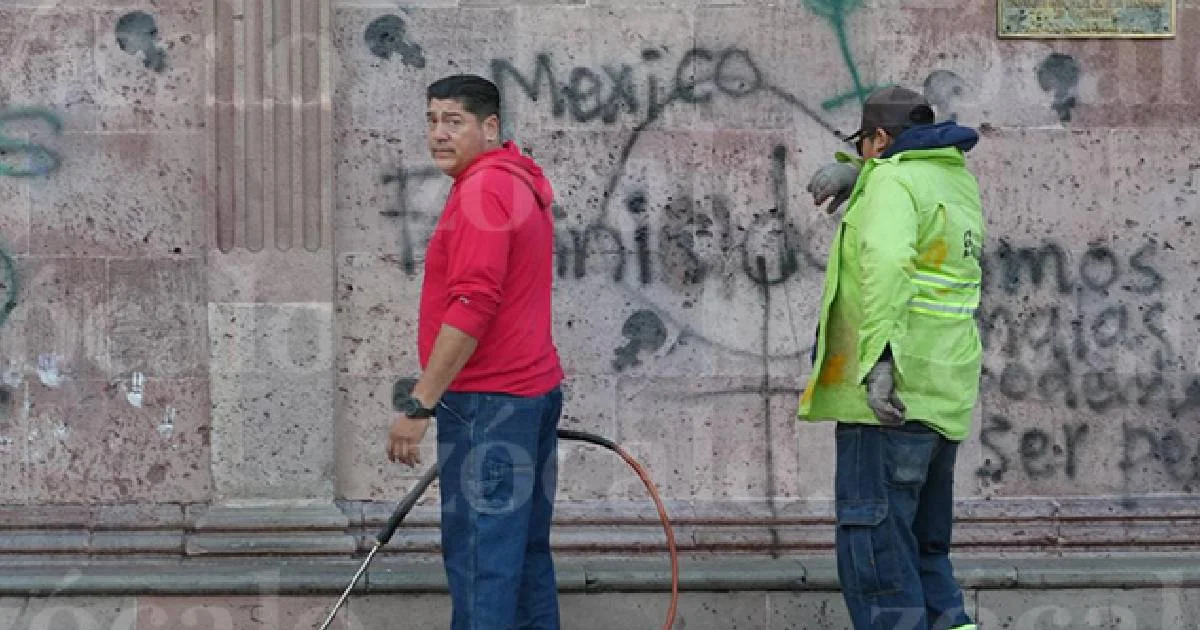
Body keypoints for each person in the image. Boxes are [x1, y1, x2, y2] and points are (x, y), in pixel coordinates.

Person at [798, 85, 984, 630]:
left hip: (886, 401)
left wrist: (876, 362)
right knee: (927, 556)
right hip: (942, 397)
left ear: (879, 139)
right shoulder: (956, 180)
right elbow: (923, 222)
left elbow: (887, 266)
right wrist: (863, 179)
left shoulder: (892, 182)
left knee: (878, 561)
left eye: (862, 145)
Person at [387, 74, 565, 630]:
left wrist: (419, 407)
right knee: (523, 556)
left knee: (481, 564)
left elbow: (471, 307)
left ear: (490, 126)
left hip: (489, 405)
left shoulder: (484, 191)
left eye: (454, 121)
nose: (438, 134)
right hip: (528, 396)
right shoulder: (515, 180)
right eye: (432, 120)